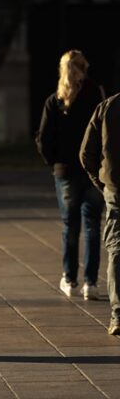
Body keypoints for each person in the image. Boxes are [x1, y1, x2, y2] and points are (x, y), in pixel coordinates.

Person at [36, 50, 104, 301]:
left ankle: (70, 279)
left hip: (65, 171)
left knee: (70, 225)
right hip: (92, 169)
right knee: (92, 225)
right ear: (84, 68)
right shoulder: (96, 94)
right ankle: (91, 283)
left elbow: (44, 139)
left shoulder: (55, 100)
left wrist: (53, 162)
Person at [81, 88, 120, 336]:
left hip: (116, 189)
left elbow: (86, 154)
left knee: (117, 249)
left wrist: (102, 183)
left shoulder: (107, 107)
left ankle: (118, 315)